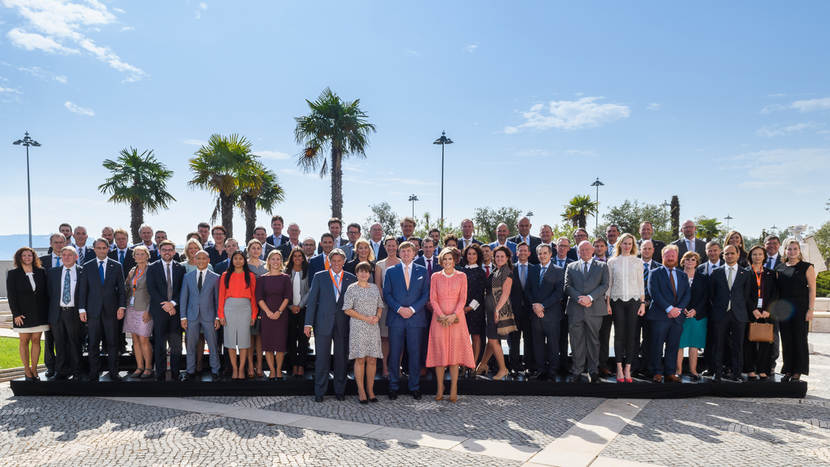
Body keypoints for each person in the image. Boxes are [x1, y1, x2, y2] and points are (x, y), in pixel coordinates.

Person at [305, 249, 356, 402]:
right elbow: (312, 301)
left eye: (339, 260)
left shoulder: (351, 278)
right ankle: (320, 391)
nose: (336, 263)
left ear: (344, 262)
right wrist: (308, 323)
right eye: (333, 260)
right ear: (329, 261)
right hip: (323, 323)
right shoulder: (319, 276)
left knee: (341, 358)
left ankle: (340, 390)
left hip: (343, 323)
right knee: (322, 358)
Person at [426, 248, 475, 401]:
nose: (447, 262)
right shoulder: (435, 276)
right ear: (441, 261)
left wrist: (454, 315)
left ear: (454, 260)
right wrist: (442, 315)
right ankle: (440, 387)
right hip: (439, 319)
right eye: (444, 259)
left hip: (457, 320)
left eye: (450, 259)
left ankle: (454, 388)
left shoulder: (462, 276)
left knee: (455, 355)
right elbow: (433, 299)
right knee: (440, 354)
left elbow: (463, 299)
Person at [383, 241, 430, 399]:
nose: (406, 253)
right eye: (403, 251)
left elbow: (425, 294)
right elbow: (387, 294)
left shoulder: (422, 270)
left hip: (415, 318)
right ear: (399, 253)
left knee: (415, 353)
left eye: (409, 251)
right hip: (396, 318)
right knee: (395, 353)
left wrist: (412, 309)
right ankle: (393, 385)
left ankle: (414, 386)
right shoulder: (391, 271)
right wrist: (399, 309)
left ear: (414, 253)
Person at [79, 238, 126, 381]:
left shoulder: (116, 265)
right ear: (94, 249)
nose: (101, 250)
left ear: (108, 249)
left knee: (112, 343)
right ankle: (94, 372)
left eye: (104, 248)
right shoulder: (87, 266)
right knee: (93, 343)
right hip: (93, 311)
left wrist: (121, 307)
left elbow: (122, 289)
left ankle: (114, 372)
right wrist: (82, 309)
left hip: (112, 311)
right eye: (98, 248)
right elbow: (83, 289)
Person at [564, 241, 610, 383]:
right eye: (581, 250)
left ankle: (593, 371)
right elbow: (567, 286)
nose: (584, 252)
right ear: (578, 252)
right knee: (576, 341)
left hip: (594, 309)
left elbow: (605, 285)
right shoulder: (571, 266)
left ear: (592, 250)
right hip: (576, 309)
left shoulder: (602, 266)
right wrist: (580, 298)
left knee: (593, 341)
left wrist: (590, 298)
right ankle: (577, 371)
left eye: (587, 249)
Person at [708, 244, 753, 382]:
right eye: (726, 253)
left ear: (738, 255)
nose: (729, 256)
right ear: (723, 255)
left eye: (732, 253)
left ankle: (736, 374)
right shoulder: (716, 272)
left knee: (738, 345)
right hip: (720, 314)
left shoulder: (746, 273)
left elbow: (747, 295)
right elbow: (711, 294)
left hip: (739, 314)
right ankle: (717, 372)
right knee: (718, 344)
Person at [646, 245, 691, 383]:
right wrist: (669, 309)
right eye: (667, 255)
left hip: (677, 317)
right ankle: (657, 372)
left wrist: (678, 309)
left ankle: (670, 373)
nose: (670, 258)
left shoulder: (683, 275)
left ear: (677, 257)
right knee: (657, 345)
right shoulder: (654, 273)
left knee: (673, 346)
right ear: (662, 256)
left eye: (673, 255)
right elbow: (654, 292)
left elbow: (687, 294)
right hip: (660, 315)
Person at [606, 233, 646, 383]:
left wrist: (642, 303)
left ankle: (628, 368)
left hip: (634, 301)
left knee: (632, 335)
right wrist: (607, 303)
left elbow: (641, 284)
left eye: (630, 243)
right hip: (616, 301)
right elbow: (609, 284)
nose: (627, 246)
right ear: (620, 244)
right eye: (625, 243)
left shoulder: (638, 262)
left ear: (633, 245)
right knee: (619, 335)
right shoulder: (612, 262)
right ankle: (619, 368)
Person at [343, 261, 384, 403]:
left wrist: (377, 317)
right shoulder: (351, 288)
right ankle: (361, 391)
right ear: (356, 273)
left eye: (366, 271)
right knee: (360, 358)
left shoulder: (374, 288)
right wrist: (365, 318)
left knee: (372, 359)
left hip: (373, 327)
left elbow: (380, 306)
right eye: (361, 271)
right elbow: (347, 309)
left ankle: (370, 390)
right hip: (358, 327)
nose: (364, 274)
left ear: (369, 274)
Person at [6, 247, 49, 381]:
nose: (27, 258)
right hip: (22, 314)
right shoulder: (13, 274)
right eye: (24, 255)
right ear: (19, 258)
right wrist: (16, 314)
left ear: (33, 257)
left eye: (29, 255)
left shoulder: (41, 272)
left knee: (36, 340)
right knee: (24, 341)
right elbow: (11, 295)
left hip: (40, 314)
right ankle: (26, 370)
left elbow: (46, 293)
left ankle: (34, 369)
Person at [776, 239, 816, 382]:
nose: (792, 252)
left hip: (801, 309)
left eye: (795, 249)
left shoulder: (807, 267)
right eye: (789, 249)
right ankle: (788, 369)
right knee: (786, 340)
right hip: (784, 310)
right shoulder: (780, 268)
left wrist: (811, 310)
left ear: (799, 251)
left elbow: (812, 289)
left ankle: (798, 371)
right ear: (785, 251)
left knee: (800, 340)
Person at [146, 240, 186, 381]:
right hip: (159, 311)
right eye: (164, 250)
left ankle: (175, 373)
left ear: (174, 252)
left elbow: (183, 289)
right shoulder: (152, 267)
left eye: (170, 250)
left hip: (175, 312)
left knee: (176, 345)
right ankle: (160, 374)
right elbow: (151, 289)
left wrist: (173, 303)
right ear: (159, 251)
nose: (167, 252)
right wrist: (165, 305)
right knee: (159, 344)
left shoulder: (180, 268)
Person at [179, 249, 221, 381]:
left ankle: (215, 370)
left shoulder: (215, 277)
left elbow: (218, 299)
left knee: (213, 345)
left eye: (204, 258)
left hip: (209, 315)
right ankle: (190, 370)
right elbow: (183, 298)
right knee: (190, 345)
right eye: (199, 258)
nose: (201, 261)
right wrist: (183, 316)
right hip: (192, 316)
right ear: (195, 260)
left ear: (208, 260)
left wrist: (217, 317)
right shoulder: (188, 276)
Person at [525, 243, 565, 380]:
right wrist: (535, 306)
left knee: (553, 344)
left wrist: (542, 306)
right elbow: (528, 290)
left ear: (550, 254)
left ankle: (552, 371)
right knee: (538, 344)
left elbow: (559, 293)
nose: (542, 256)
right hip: (535, 314)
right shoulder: (533, 269)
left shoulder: (559, 270)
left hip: (551, 314)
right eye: (540, 253)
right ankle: (541, 370)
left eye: (545, 253)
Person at [474, 245, 514, 381]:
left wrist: (497, 310)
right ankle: (483, 364)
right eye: (497, 256)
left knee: (492, 340)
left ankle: (503, 369)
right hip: (491, 310)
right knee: (492, 339)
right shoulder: (496, 270)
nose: (499, 258)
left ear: (507, 258)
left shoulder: (506, 272)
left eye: (502, 256)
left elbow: (506, 293)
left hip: (498, 311)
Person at [218, 251, 258, 379]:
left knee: (244, 341)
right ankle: (234, 369)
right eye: (235, 258)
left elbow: (254, 297)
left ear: (244, 260)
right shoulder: (225, 275)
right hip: (229, 309)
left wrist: (254, 315)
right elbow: (221, 296)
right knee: (230, 341)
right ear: (232, 260)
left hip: (245, 309)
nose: (238, 261)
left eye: (241, 258)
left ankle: (241, 369)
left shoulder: (250, 276)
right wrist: (221, 315)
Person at [47, 246, 84, 380]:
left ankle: (76, 371)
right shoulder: (53, 273)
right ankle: (61, 371)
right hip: (57, 313)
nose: (66, 257)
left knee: (75, 343)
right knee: (59, 343)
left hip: (74, 313)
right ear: (61, 257)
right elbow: (48, 294)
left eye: (70, 255)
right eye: (64, 255)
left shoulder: (82, 272)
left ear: (76, 257)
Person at [743, 245, 778, 380]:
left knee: (766, 341)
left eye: (760, 254)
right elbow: (744, 294)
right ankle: (750, 369)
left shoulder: (771, 273)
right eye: (754, 254)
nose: (757, 257)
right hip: (750, 312)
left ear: (764, 256)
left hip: (766, 313)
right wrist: (753, 309)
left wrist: (768, 310)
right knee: (749, 341)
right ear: (750, 256)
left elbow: (775, 293)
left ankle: (763, 369)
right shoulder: (745, 272)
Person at [256, 250, 292, 380]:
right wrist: (268, 312)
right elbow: (259, 298)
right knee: (268, 344)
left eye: (278, 259)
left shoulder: (285, 278)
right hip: (267, 316)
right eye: (273, 259)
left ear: (281, 261)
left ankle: (278, 370)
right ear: (268, 261)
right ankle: (271, 370)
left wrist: (279, 312)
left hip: (281, 315)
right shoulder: (262, 279)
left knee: (280, 344)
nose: (275, 261)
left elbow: (288, 297)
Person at [676, 251, 708, 381]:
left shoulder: (703, 278)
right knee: (679, 344)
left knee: (694, 344)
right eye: (687, 259)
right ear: (683, 261)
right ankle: (678, 370)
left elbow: (705, 297)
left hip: (697, 315)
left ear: (697, 262)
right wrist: (681, 308)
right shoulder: (676, 275)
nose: (690, 262)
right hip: (679, 314)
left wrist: (695, 310)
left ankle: (693, 371)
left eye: (693, 259)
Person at [124, 245, 154, 380]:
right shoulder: (132, 270)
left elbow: (153, 292)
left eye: (142, 254)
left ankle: (148, 368)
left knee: (144, 339)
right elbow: (127, 289)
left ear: (147, 256)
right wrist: (127, 279)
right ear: (134, 256)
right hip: (131, 308)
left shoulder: (152, 270)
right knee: (135, 339)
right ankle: (139, 367)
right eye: (137, 254)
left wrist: (149, 310)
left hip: (144, 309)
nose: (140, 256)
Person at [374, 236, 400, 377]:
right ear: (385, 247)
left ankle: (397, 367)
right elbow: (378, 284)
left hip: (400, 306)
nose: (391, 248)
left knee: (399, 338)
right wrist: (387, 299)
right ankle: (385, 367)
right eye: (388, 245)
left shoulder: (402, 262)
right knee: (385, 338)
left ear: (397, 246)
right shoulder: (380, 264)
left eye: (393, 245)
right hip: (384, 304)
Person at [508, 242, 535, 375]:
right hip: (514, 310)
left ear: (529, 253)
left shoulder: (535, 269)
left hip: (530, 311)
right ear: (516, 253)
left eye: (525, 251)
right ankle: (514, 365)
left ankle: (528, 365)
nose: (523, 253)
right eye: (520, 251)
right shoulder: (510, 269)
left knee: (529, 339)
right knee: (514, 339)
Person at [461, 243, 487, 370]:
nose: (471, 256)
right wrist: (461, 308)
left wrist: (469, 308)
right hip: (460, 309)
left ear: (478, 256)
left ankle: (473, 364)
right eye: (469, 254)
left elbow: (480, 293)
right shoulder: (461, 271)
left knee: (475, 336)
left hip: (475, 309)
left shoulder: (481, 272)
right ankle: (463, 364)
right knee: (462, 338)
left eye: (474, 254)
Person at [286, 247, 311, 377]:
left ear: (303, 258)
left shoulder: (307, 271)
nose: (297, 258)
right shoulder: (286, 272)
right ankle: (293, 365)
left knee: (303, 338)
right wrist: (290, 306)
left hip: (304, 309)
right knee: (290, 338)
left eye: (299, 256)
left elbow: (310, 290)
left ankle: (301, 365)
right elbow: (283, 291)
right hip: (288, 309)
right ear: (291, 258)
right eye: (294, 256)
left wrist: (300, 306)